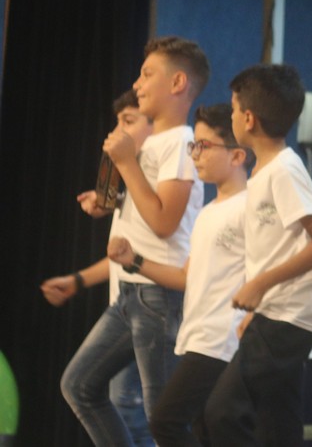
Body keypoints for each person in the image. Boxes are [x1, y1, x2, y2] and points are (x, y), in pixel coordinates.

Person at [53, 37, 209, 445]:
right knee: (80, 385)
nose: (137, 83)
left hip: (158, 294)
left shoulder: (181, 142)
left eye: (147, 74)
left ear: (178, 83)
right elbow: (147, 205)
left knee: (163, 419)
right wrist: (113, 200)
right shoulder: (155, 143)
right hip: (129, 292)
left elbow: (165, 222)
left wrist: (125, 161)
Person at [203, 64, 312, 446]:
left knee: (222, 411)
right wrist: (258, 307)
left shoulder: (284, 169)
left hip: (290, 313)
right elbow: (274, 247)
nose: (232, 116)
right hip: (275, 311)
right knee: (276, 422)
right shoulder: (265, 171)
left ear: (248, 119)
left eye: (234, 109)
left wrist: (261, 285)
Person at [105, 104, 250, 446]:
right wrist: (134, 261)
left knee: (166, 422)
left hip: (223, 340)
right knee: (201, 430)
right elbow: (187, 277)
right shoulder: (208, 212)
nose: (195, 155)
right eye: (193, 146)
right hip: (196, 337)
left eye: (204, 146)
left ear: (236, 155)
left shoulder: (249, 206)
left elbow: (268, 270)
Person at [40, 90, 157, 447]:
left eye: (129, 121)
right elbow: (123, 257)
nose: (117, 131)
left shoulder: (155, 183)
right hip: (126, 302)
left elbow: (157, 249)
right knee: (106, 399)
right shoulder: (135, 183)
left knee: (133, 413)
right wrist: (78, 280)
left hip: (150, 304)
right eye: (117, 122)